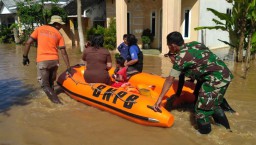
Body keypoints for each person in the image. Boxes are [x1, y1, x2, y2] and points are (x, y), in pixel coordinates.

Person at [153, 31, 234, 134]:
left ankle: (204, 137)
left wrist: (159, 98)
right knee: (213, 105)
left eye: (169, 46)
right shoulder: (195, 44)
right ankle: (227, 131)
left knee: (201, 113)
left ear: (173, 46)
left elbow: (170, 80)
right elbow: (203, 61)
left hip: (214, 80)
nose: (169, 49)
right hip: (225, 74)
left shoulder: (181, 59)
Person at [165, 51, 237, 114]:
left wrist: (177, 94)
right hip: (214, 75)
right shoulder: (185, 59)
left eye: (170, 58)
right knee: (207, 95)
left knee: (206, 97)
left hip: (209, 77)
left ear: (174, 56)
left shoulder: (181, 62)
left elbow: (181, 79)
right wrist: (191, 81)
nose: (171, 61)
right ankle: (229, 110)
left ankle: (226, 110)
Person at [22, 15, 70, 104]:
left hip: (43, 61)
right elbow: (63, 52)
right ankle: (53, 99)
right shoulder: (59, 34)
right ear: (56, 24)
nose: (61, 27)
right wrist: (68, 67)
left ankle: (58, 104)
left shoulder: (39, 29)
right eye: (60, 25)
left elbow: (28, 43)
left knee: (45, 85)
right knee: (51, 83)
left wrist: (25, 57)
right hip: (55, 61)